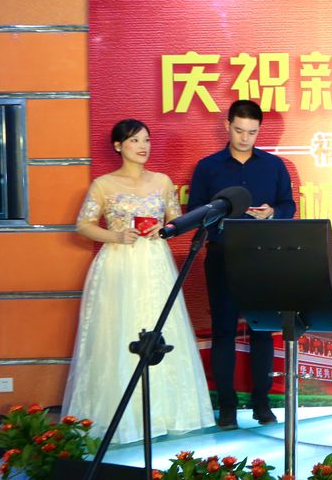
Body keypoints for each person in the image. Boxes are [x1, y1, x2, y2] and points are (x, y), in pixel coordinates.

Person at [63, 119, 215, 444]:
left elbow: (176, 221)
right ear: (118, 146)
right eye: (134, 141)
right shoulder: (103, 184)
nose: (142, 146)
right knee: (118, 332)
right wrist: (116, 235)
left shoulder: (162, 181)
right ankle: (120, 418)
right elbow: (83, 224)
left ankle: (167, 415)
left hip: (156, 263)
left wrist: (164, 230)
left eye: (146, 140)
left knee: (162, 328)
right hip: (118, 263)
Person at [187, 99, 295, 429]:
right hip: (222, 255)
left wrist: (272, 213)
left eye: (251, 132)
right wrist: (218, 218)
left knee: (262, 331)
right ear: (227, 126)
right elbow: (195, 211)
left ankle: (262, 405)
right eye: (238, 130)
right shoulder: (208, 167)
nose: (245, 138)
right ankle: (228, 409)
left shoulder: (274, 166)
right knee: (223, 332)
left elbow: (288, 205)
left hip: (264, 257)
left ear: (259, 130)